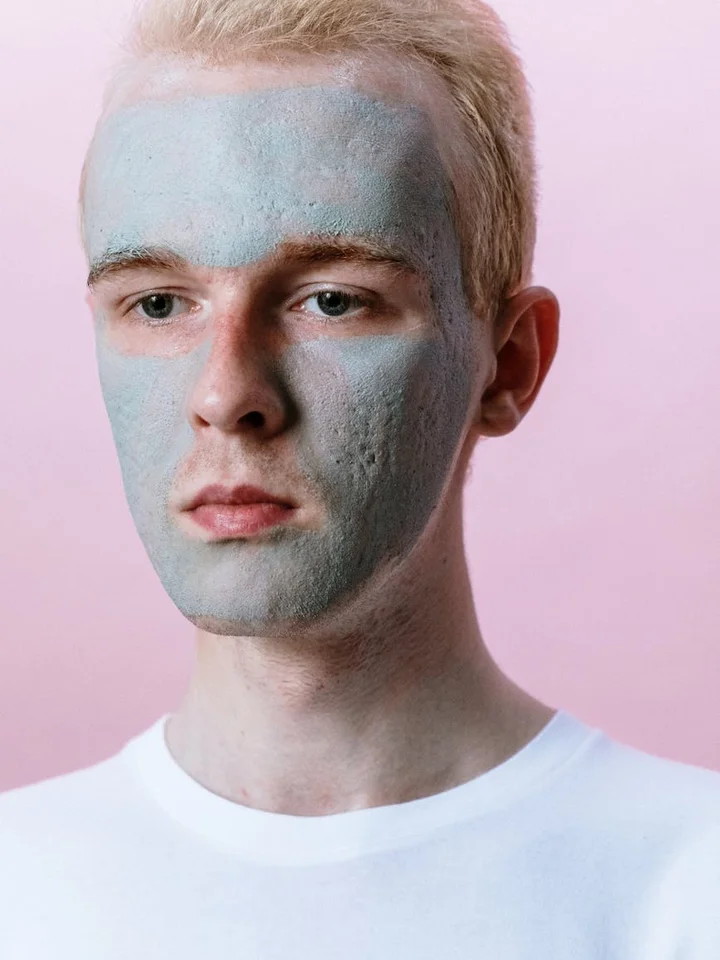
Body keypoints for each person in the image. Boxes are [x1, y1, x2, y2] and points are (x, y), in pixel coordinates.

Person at [2, 0, 719, 955]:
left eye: (333, 299)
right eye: (159, 302)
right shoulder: (22, 887)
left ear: (507, 365)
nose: (227, 394)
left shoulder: (688, 885)